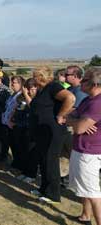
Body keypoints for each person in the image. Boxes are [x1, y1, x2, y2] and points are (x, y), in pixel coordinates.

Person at [29, 66, 75, 204]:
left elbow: (70, 98)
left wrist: (61, 115)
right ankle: (44, 189)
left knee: (51, 161)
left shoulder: (53, 86)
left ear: (42, 76)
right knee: (44, 161)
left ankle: (54, 194)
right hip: (42, 132)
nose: (33, 78)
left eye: (35, 76)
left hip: (53, 131)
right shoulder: (42, 89)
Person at [67, 68, 101, 225]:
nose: (81, 82)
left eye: (85, 80)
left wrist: (76, 122)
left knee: (92, 191)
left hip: (89, 152)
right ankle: (85, 216)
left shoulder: (97, 103)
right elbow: (69, 116)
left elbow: (79, 128)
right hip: (80, 148)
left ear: (94, 84)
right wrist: (76, 120)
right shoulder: (88, 100)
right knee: (83, 188)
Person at [13, 78, 38, 183]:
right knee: (22, 150)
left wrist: (26, 95)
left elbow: (33, 107)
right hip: (20, 126)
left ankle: (31, 174)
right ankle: (24, 171)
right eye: (28, 89)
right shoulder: (20, 98)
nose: (30, 92)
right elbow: (18, 110)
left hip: (31, 129)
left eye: (32, 89)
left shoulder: (37, 99)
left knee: (31, 152)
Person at [2, 76, 24, 169]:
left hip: (14, 124)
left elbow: (18, 110)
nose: (12, 85)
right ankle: (15, 163)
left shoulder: (21, 96)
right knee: (12, 144)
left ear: (21, 84)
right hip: (7, 123)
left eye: (14, 83)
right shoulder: (12, 95)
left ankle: (19, 164)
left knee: (17, 146)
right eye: (11, 82)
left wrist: (12, 120)